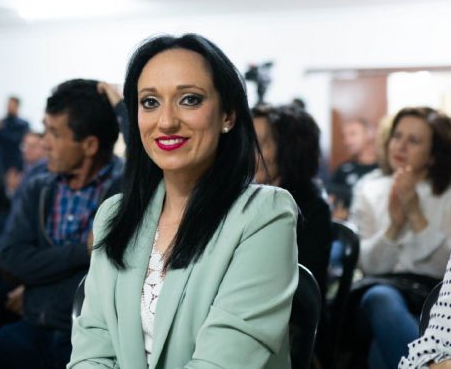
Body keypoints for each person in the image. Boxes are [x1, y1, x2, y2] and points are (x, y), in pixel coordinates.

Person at [69, 34, 298, 368]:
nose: (166, 121)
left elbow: (223, 361)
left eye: (189, 99)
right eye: (150, 102)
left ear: (228, 115)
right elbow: (92, 350)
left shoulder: (265, 215)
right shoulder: (114, 215)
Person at [0, 79, 123, 369]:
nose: (44, 142)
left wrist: (122, 109)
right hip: (34, 328)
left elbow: (113, 265)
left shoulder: (127, 190)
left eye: (54, 133)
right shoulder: (40, 187)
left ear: (90, 145)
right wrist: (84, 252)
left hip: (96, 341)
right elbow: (13, 259)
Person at [349, 107, 451, 369]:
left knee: (379, 352)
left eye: (414, 141)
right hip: (382, 292)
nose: (401, 146)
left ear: (433, 155)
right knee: (381, 298)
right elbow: (368, 266)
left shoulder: (448, 193)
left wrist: (415, 213)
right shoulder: (369, 188)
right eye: (397, 136)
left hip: (437, 297)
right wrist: (395, 226)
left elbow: (445, 269)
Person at [252, 103, 332, 299]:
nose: (249, 152)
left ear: (290, 149)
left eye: (261, 143)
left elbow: (302, 290)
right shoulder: (248, 196)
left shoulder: (312, 207)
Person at [400, 250, 451, 368]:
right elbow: (368, 264)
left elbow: (437, 266)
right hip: (389, 284)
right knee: (378, 298)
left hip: (424, 285)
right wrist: (391, 234)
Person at [329, 118, 378, 219]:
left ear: (369, 133)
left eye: (353, 134)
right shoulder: (343, 169)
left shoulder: (383, 169)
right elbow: (330, 198)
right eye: (344, 136)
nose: (347, 141)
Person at [0, 96, 30, 175]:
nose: (9, 107)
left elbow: (16, 141)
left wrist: (0, 129)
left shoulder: (23, 124)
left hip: (13, 163)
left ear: (17, 107)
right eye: (8, 105)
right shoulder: (2, 122)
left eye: (12, 105)